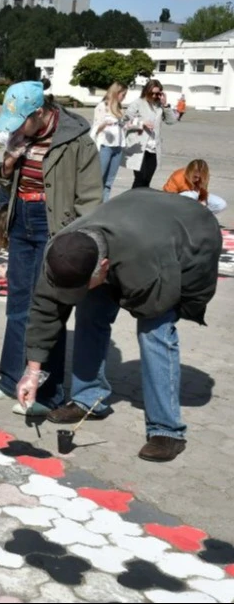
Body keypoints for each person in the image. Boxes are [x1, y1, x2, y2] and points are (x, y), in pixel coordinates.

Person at [15, 190, 222, 463]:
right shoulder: (61, 251)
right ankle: (90, 399)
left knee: (155, 333)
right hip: (131, 222)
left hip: (186, 230)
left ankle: (166, 429)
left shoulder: (146, 262)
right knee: (89, 313)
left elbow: (158, 304)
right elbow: (46, 308)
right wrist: (32, 371)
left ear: (103, 267)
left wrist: (189, 303)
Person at [0, 81, 102, 416]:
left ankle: (48, 394)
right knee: (18, 304)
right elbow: (7, 183)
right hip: (22, 222)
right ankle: (9, 379)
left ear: (40, 112)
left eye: (21, 122)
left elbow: (89, 199)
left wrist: (77, 241)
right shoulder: (23, 136)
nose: (16, 129)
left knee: (49, 308)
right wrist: (7, 165)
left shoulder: (77, 142)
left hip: (54, 228)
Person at [123, 79, 177, 189]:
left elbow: (171, 121)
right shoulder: (137, 103)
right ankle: (132, 202)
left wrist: (165, 105)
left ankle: (141, 204)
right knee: (140, 178)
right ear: (146, 91)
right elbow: (124, 121)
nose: (153, 95)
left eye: (157, 93)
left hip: (153, 148)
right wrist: (141, 123)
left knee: (147, 180)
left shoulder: (160, 106)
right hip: (139, 146)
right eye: (151, 93)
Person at [91, 82, 129, 201]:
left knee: (109, 181)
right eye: (123, 94)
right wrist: (104, 125)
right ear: (116, 93)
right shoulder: (102, 106)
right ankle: (93, 206)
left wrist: (131, 126)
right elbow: (95, 129)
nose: (124, 97)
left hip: (118, 147)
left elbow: (122, 126)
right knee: (99, 179)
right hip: (105, 147)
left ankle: (104, 206)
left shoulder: (118, 107)